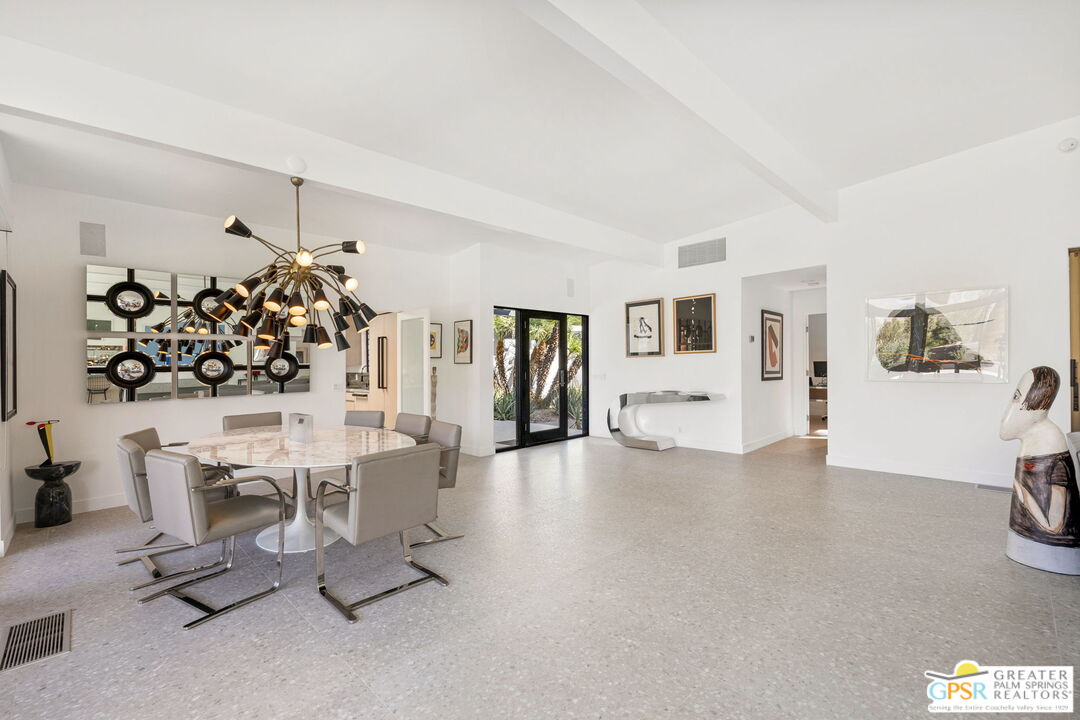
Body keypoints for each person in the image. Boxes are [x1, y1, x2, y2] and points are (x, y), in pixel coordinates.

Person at [1000, 366, 1080, 574]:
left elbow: (1053, 525)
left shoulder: (1050, 444)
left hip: (1052, 551)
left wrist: (1021, 490)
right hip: (1027, 541)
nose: (1012, 406)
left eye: (1017, 396)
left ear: (1037, 399)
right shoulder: (1035, 442)